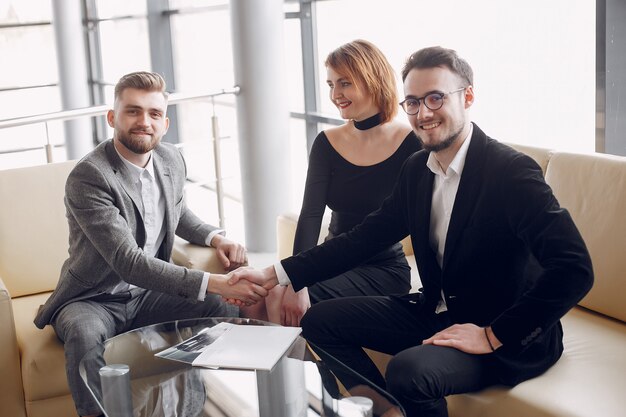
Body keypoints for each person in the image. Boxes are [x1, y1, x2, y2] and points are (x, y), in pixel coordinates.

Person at [229, 47, 594, 417]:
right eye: (414, 102)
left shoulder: (510, 172)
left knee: (408, 370)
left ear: (467, 96)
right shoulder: (418, 168)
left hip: (500, 331)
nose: (424, 113)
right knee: (319, 322)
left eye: (436, 98)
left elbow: (574, 268)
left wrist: (492, 335)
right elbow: (361, 239)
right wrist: (273, 274)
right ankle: (383, 410)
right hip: (436, 309)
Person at [33, 71, 267, 417]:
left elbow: (177, 211)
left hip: (146, 295)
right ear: (112, 117)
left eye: (154, 114)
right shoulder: (90, 177)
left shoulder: (171, 159)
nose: (144, 122)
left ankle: (194, 405)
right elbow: (129, 262)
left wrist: (215, 236)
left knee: (222, 310)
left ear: (165, 123)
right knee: (84, 340)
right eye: (133, 111)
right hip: (93, 298)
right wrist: (216, 281)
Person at [262, 39, 422, 326]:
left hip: (382, 269)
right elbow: (311, 215)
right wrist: (298, 280)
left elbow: (425, 221)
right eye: (330, 84)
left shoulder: (411, 143)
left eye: (345, 83)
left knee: (290, 300)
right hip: (330, 260)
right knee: (273, 294)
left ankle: (314, 367)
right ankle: (301, 368)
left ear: (372, 80)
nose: (335, 94)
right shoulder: (326, 142)